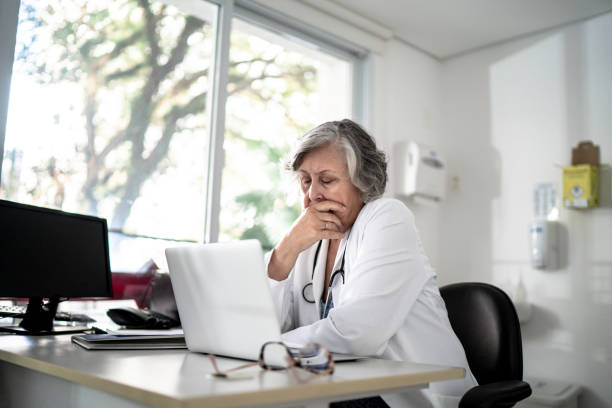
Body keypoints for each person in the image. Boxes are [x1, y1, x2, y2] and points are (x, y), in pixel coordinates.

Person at [266, 119, 477, 407]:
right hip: (345, 386)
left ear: (363, 181)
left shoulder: (388, 218)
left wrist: (271, 346)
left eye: (326, 180)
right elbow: (264, 326)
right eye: (306, 181)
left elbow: (356, 335)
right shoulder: (307, 239)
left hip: (409, 396)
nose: (312, 194)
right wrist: (286, 250)